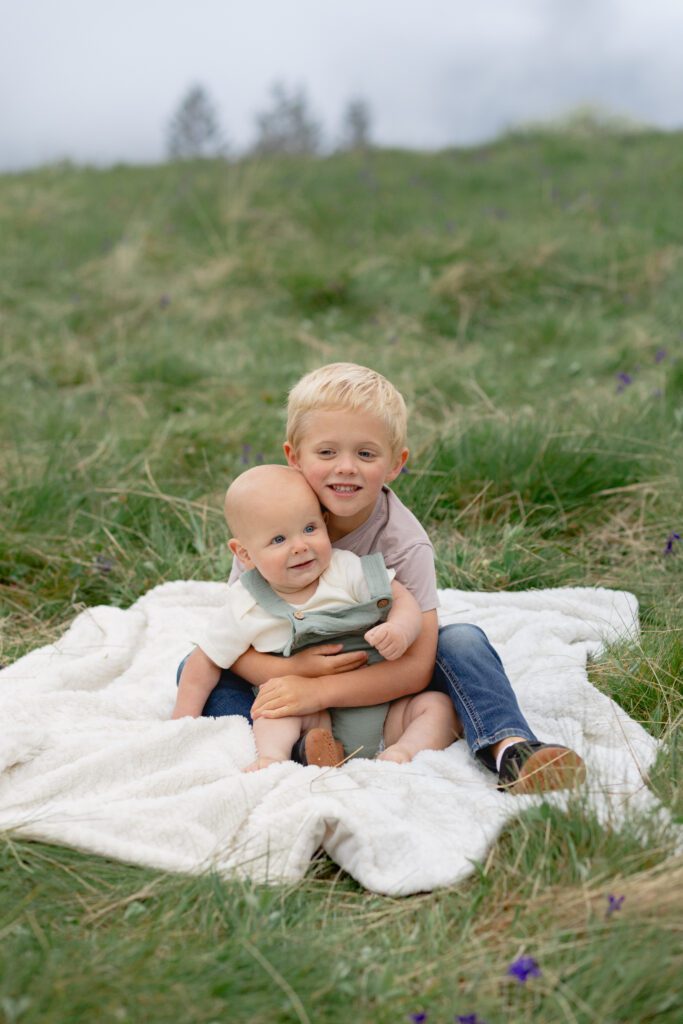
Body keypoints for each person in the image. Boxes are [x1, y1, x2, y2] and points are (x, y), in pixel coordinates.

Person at [189, 362, 585, 795]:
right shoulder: (266, 517)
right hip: (290, 664)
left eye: (365, 453)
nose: (346, 468)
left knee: (462, 641)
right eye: (326, 453)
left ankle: (509, 747)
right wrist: (297, 673)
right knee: (198, 669)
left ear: (396, 464)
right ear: (293, 457)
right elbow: (236, 638)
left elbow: (416, 666)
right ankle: (302, 749)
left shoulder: (402, 543)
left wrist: (319, 691)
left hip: (380, 677)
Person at [172, 464, 457, 771]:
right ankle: (274, 758)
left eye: (309, 529)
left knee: (438, 708)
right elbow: (205, 661)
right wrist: (181, 724)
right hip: (310, 719)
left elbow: (402, 598)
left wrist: (400, 628)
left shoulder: (345, 568)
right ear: (244, 554)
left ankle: (402, 752)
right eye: (279, 540)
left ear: (324, 523)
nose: (300, 547)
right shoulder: (246, 602)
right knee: (274, 710)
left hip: (382, 710)